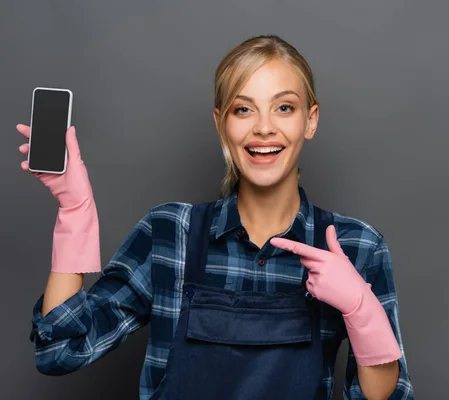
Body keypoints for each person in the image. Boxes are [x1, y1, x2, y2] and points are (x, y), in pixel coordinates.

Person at [20, 35, 414, 399]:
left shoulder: (357, 247)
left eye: (284, 107)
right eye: (243, 109)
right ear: (221, 123)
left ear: (309, 120)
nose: (263, 127)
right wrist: (75, 213)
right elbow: (60, 350)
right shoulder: (169, 234)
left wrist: (361, 309)